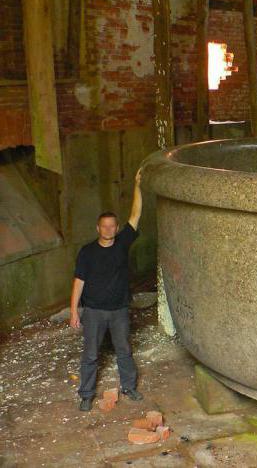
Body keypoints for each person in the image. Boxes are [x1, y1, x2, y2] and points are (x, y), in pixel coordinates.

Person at [70, 170, 144, 411]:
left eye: (112, 226)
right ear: (98, 228)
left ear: (117, 228)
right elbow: (78, 282)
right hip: (94, 312)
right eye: (105, 226)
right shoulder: (87, 252)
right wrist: (74, 311)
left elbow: (136, 214)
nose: (109, 229)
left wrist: (137, 186)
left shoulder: (122, 243)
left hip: (119, 310)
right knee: (90, 355)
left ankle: (129, 387)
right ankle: (86, 394)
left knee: (124, 351)